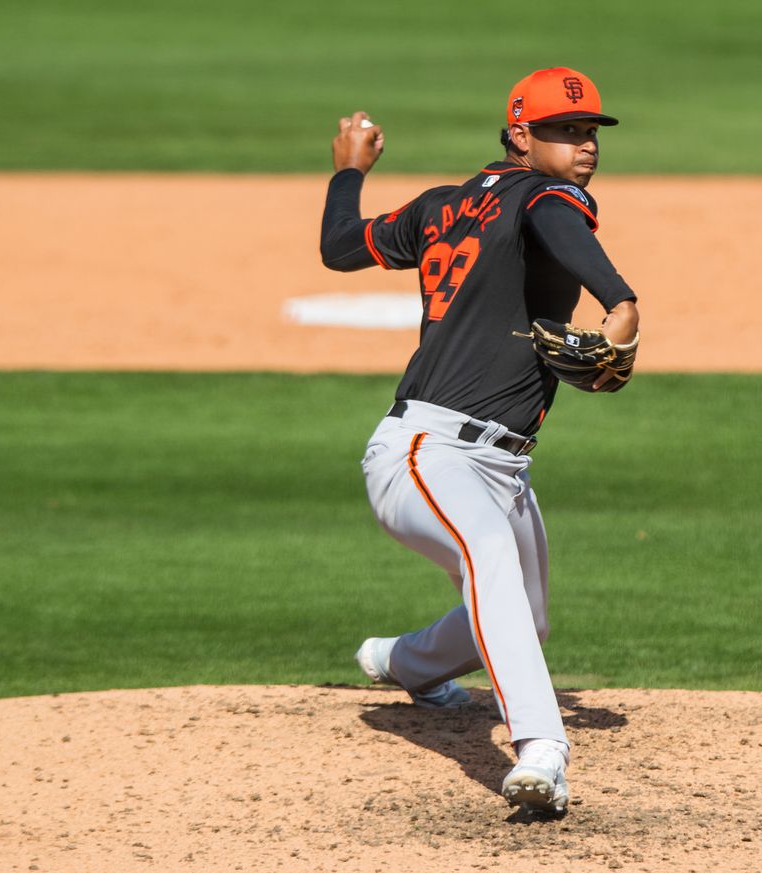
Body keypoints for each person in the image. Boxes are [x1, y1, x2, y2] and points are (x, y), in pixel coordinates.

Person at [319, 67, 639, 814]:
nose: (583, 145)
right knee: (488, 555)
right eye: (564, 131)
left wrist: (350, 174)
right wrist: (618, 298)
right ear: (521, 135)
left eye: (589, 130)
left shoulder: (441, 207)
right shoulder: (551, 195)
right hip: (425, 452)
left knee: (527, 617)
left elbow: (341, 243)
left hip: (497, 463)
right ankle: (541, 749)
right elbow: (562, 223)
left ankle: (403, 662)